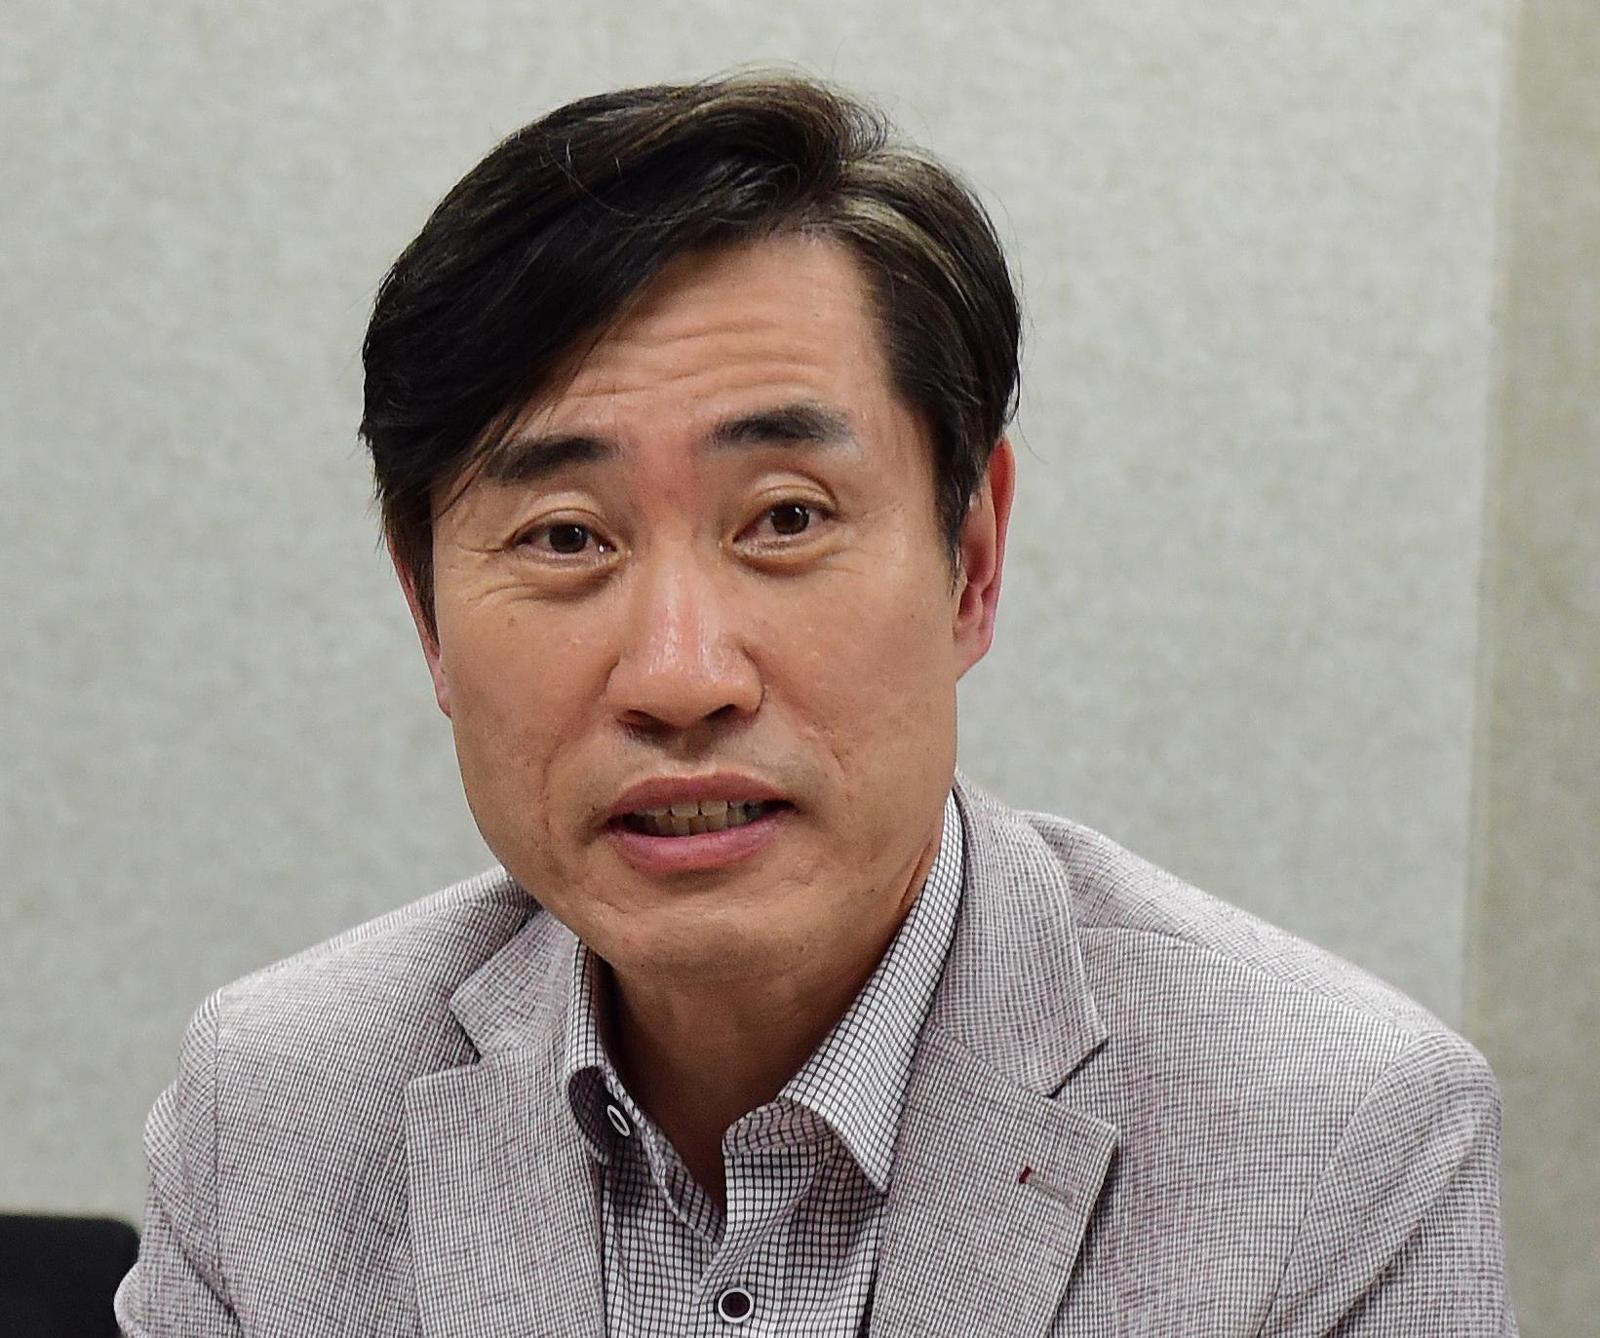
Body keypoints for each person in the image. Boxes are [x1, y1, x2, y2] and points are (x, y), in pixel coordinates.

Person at [116, 73, 1516, 1336]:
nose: (681, 676)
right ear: (425, 610)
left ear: (971, 561)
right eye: (565, 537)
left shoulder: (1338, 1144)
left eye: (786, 517)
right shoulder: (274, 1117)